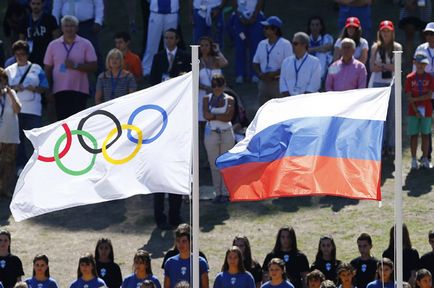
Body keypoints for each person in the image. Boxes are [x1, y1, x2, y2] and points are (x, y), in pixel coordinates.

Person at [150, 28, 190, 230]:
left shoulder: (185, 57)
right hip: (160, 118)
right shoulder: (158, 58)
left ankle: (175, 215)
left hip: (179, 118)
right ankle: (159, 217)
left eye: (172, 37)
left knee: (175, 170)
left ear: (178, 39)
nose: (168, 40)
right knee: (159, 173)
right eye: (165, 37)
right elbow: (152, 84)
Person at [6, 40, 49, 175]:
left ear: (27, 54)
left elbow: (45, 87)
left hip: (33, 110)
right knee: (18, 141)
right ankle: (21, 166)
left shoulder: (37, 69)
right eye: (17, 54)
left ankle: (39, 165)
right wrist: (13, 88)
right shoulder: (9, 70)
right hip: (14, 110)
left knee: (36, 140)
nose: (20, 56)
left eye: (23, 53)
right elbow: (3, 88)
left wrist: (34, 88)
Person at [44, 15, 97, 121]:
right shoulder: (53, 45)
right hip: (59, 90)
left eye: (72, 26)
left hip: (79, 90)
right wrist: (48, 90)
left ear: (77, 28)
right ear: (62, 28)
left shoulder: (85, 44)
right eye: (66, 26)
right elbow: (48, 68)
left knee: (78, 121)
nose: (69, 29)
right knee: (62, 121)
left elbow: (94, 66)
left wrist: (76, 66)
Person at [368, 20, 402, 157]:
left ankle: (392, 144)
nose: (385, 33)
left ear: (392, 32)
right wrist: (387, 66)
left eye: (388, 31)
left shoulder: (397, 47)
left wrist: (381, 65)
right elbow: (372, 67)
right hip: (378, 83)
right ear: (380, 32)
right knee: (380, 115)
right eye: (383, 31)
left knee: (393, 115)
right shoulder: (375, 47)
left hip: (392, 82)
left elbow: (397, 67)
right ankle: (380, 144)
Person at [203, 74, 235, 203]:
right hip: (211, 133)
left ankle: (226, 192)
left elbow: (228, 117)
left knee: (226, 164)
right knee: (214, 164)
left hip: (226, 132)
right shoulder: (206, 98)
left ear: (223, 86)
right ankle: (218, 192)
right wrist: (219, 116)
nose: (216, 88)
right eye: (213, 85)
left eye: (218, 85)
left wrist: (213, 116)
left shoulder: (230, 99)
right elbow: (205, 114)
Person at [198, 36, 228, 168]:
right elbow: (194, 80)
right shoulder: (197, 61)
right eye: (202, 45)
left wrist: (218, 50)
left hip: (217, 97)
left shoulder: (216, 61)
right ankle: (205, 158)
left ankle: (219, 156)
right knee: (203, 128)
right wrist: (207, 88)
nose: (204, 48)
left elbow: (225, 63)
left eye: (206, 45)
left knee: (218, 125)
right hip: (202, 96)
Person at [52, 0, 104, 73]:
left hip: (86, 25)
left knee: (94, 52)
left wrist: (98, 21)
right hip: (66, 24)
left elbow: (98, 3)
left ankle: (102, 79)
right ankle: (61, 78)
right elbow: (57, 6)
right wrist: (55, 25)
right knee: (63, 52)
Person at [252, 16, 293, 105]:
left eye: (266, 28)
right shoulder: (262, 44)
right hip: (263, 83)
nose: (264, 30)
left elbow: (289, 65)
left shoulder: (285, 44)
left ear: (274, 30)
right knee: (263, 110)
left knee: (280, 110)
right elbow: (255, 62)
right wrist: (259, 74)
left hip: (278, 83)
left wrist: (274, 74)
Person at [404, 52, 434, 169]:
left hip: (426, 110)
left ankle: (425, 158)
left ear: (426, 64)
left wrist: (415, 99)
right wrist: (416, 109)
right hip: (413, 111)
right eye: (418, 63)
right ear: (414, 63)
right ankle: (413, 159)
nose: (420, 65)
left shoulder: (430, 78)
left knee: (426, 135)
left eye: (423, 63)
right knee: (414, 135)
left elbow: (429, 95)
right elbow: (409, 96)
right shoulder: (409, 78)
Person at [141, 0, 180, 77]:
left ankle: (170, 68)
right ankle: (147, 69)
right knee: (152, 43)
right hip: (156, 12)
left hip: (172, 12)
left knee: (171, 44)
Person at [231, 0, 265, 84]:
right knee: (240, 46)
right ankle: (240, 74)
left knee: (255, 46)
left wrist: (255, 15)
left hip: (255, 19)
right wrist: (239, 16)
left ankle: (254, 74)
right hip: (240, 20)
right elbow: (234, 2)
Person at [414, 22, 434, 162]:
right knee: (425, 125)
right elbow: (415, 71)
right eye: (427, 33)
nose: (429, 36)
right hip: (424, 92)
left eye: (432, 34)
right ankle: (426, 155)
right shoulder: (421, 48)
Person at [18, 0, 59, 67]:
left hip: (46, 54)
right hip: (30, 55)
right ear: (30, 4)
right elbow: (21, 40)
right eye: (33, 4)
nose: (35, 6)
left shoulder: (50, 19)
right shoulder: (25, 20)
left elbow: (56, 38)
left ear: (42, 4)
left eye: (38, 4)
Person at [0, 69, 22, 199]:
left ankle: (4, 189)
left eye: (1, 80)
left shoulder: (11, 93)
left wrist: (10, 94)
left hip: (11, 136)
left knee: (9, 164)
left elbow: (17, 109)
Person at [280, 32, 321, 96]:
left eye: (295, 43)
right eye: (292, 43)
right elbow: (282, 82)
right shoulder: (286, 62)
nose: (292, 45)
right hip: (288, 100)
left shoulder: (315, 62)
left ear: (304, 45)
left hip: (307, 100)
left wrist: (302, 99)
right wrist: (288, 98)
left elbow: (314, 84)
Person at [398, 0, 432, 65]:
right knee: (409, 37)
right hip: (408, 13)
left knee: (425, 37)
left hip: (424, 11)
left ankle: (427, 59)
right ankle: (409, 60)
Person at [307, 16, 334, 81]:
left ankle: (320, 77)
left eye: (317, 25)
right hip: (308, 66)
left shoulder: (327, 37)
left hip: (326, 67)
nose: (315, 27)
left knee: (322, 55)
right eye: (312, 25)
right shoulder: (306, 38)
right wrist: (320, 49)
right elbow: (302, 51)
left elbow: (328, 47)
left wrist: (311, 49)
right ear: (309, 26)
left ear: (321, 26)